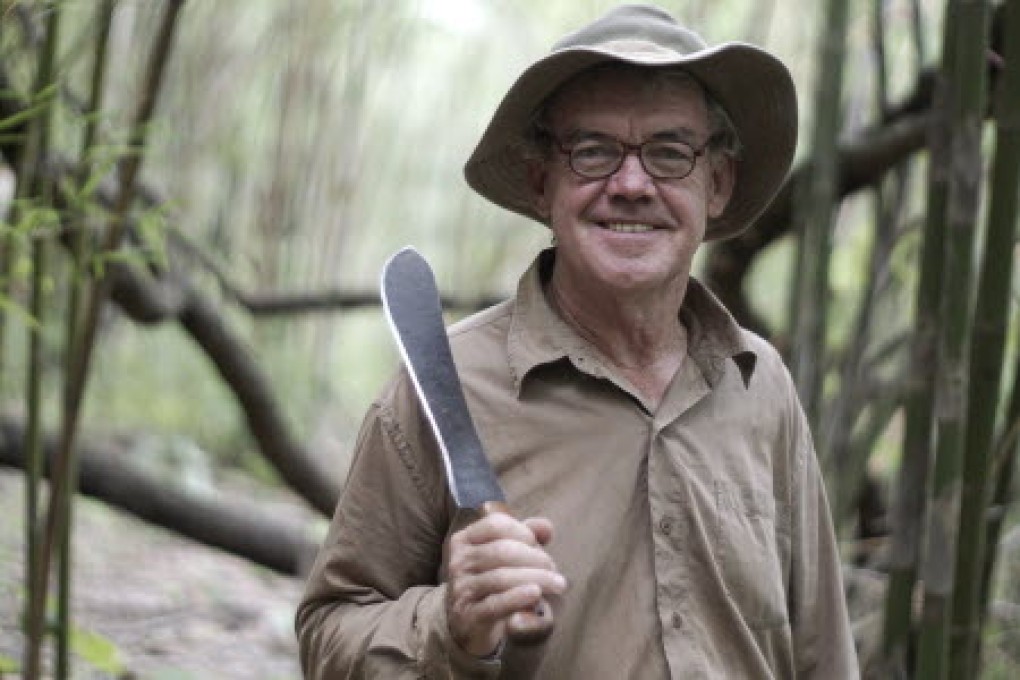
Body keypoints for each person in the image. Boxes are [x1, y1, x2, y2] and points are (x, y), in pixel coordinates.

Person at [296, 4, 859, 678]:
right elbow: (329, 632)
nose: (629, 184)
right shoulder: (447, 387)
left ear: (719, 183)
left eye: (670, 153)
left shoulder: (759, 385)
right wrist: (452, 625)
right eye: (592, 151)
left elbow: (823, 652)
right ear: (542, 182)